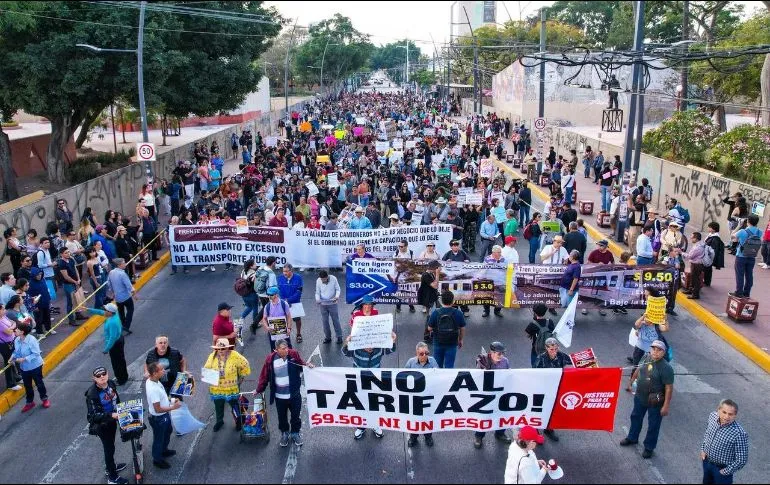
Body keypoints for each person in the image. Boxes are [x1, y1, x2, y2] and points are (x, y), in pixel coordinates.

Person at [621, 339, 674, 459]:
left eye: (659, 350)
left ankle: (649, 447)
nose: (655, 352)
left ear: (663, 352)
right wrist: (631, 382)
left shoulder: (666, 368)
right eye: (653, 349)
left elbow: (669, 388)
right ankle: (632, 437)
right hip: (640, 396)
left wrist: (665, 406)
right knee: (635, 417)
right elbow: (638, 370)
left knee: (653, 424)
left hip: (655, 400)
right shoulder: (646, 358)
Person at [256, 339, 313, 447]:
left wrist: (307, 365)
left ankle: (295, 433)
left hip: (294, 394)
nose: (286, 350)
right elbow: (265, 375)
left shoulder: (293, 354)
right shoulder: (270, 359)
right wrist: (259, 389)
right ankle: (285, 433)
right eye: (283, 349)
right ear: (276, 350)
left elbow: (301, 364)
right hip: (279, 397)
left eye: (287, 347)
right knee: (282, 417)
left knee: (295, 416)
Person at [342, 330, 397, 440]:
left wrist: (393, 340)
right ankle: (361, 427)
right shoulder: (356, 349)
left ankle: (374, 425)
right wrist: (346, 343)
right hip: (359, 382)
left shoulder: (379, 348)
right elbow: (344, 352)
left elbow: (391, 349)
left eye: (372, 343)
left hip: (375, 382)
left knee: (374, 404)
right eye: (367, 344)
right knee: (360, 405)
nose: (370, 346)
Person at [85, 366, 129, 485]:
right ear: (94, 378)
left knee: (111, 446)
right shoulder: (92, 394)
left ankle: (110, 467)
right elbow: (92, 416)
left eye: (103, 374)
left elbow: (116, 398)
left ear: (108, 374)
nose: (102, 377)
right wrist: (111, 415)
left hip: (112, 421)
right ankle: (112, 477)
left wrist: (121, 410)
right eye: (98, 376)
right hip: (103, 426)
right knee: (109, 449)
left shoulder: (110, 383)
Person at [203, 338, 250, 432]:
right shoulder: (212, 356)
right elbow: (206, 369)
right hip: (217, 388)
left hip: (231, 387)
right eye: (218, 349)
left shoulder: (234, 355)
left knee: (234, 405)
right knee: (218, 405)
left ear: (228, 348)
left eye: (223, 349)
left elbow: (245, 364)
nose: (220, 351)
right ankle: (219, 421)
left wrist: (241, 377)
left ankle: (239, 421)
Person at [700, 399, 749, 484]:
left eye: (730, 414)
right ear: (718, 410)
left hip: (722, 470)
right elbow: (707, 433)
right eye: (724, 412)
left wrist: (725, 471)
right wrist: (703, 449)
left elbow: (742, 460)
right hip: (707, 463)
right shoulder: (712, 416)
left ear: (735, 415)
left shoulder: (739, 433)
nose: (726, 417)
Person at [474, 341, 512, 448]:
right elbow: (478, 378)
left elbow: (509, 375)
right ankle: (479, 436)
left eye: (503, 353)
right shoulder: (482, 360)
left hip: (501, 393)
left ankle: (500, 433)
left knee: (502, 414)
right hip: (487, 394)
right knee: (485, 415)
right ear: (491, 353)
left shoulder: (505, 361)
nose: (502, 356)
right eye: (499, 354)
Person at [145, 361, 181, 469]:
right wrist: (173, 407)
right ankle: (157, 459)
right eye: (161, 369)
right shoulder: (153, 389)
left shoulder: (153, 380)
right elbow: (158, 408)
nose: (164, 371)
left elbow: (163, 397)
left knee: (168, 431)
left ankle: (164, 450)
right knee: (158, 439)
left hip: (163, 416)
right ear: (155, 373)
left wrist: (171, 400)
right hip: (159, 418)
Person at [404, 341, 438, 448]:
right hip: (415, 397)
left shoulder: (433, 362)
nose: (424, 356)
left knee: (428, 418)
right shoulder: (410, 362)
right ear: (417, 354)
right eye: (421, 354)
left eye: (426, 353)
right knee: (415, 418)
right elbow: (403, 376)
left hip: (428, 396)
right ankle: (413, 437)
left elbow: (439, 377)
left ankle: (428, 436)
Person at [87, 303, 128, 386]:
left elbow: (112, 338)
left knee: (116, 363)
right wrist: (88, 309)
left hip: (115, 344)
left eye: (106, 310)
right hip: (119, 339)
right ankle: (124, 377)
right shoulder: (113, 314)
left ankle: (121, 380)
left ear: (110, 312)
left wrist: (106, 349)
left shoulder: (112, 322)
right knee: (121, 360)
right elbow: (101, 312)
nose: (104, 311)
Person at [13, 322, 49, 413]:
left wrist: (24, 359)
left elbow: (36, 353)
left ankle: (44, 399)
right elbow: (16, 351)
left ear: (22, 332)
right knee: (27, 385)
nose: (15, 330)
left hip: (35, 366)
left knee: (39, 383)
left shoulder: (32, 340)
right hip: (24, 368)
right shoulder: (16, 339)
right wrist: (12, 357)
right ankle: (30, 402)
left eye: (17, 329)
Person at [426, 290, 466, 368]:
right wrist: (460, 339)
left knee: (437, 365)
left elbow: (429, 328)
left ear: (441, 301)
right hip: (452, 342)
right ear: (453, 301)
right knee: (449, 365)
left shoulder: (436, 312)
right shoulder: (458, 313)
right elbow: (462, 328)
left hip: (438, 342)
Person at [730, 214, 762, 299]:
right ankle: (746, 293)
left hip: (741, 256)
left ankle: (739, 293)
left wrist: (739, 226)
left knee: (740, 274)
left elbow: (732, 236)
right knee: (749, 275)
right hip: (752, 256)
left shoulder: (742, 231)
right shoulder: (759, 232)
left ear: (748, 221)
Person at [260, 286, 294, 351]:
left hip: (283, 330)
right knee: (274, 350)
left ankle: (290, 360)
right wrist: (267, 327)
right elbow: (264, 319)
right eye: (268, 295)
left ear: (276, 295)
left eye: (271, 295)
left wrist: (289, 328)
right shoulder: (267, 306)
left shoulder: (284, 304)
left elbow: (289, 316)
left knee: (288, 348)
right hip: (273, 331)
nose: (269, 296)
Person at [315, 270, 343, 344]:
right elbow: (317, 292)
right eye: (321, 279)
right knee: (325, 322)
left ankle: (339, 336)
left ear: (327, 277)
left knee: (335, 320)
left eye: (324, 279)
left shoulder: (333, 279)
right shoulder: (318, 280)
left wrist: (336, 296)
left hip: (332, 303)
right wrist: (317, 299)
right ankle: (328, 337)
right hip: (323, 304)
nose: (323, 280)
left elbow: (338, 289)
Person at [108, 259, 136, 334]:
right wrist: (134, 293)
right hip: (125, 296)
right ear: (119, 265)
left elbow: (109, 284)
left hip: (117, 297)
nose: (125, 264)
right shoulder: (122, 274)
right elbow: (128, 285)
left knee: (121, 312)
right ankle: (126, 326)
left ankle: (123, 325)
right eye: (123, 263)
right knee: (130, 309)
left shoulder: (111, 272)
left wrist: (113, 292)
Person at [57, 248, 83, 326]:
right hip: (68, 284)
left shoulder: (71, 259)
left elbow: (75, 270)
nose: (68, 254)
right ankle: (71, 319)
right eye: (66, 253)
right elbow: (66, 276)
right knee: (70, 302)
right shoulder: (61, 263)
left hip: (75, 282)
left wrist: (78, 279)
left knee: (77, 300)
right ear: (61, 254)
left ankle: (78, 314)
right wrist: (75, 282)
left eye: (68, 252)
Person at [278, 264, 304, 343]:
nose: (284, 273)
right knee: (284, 320)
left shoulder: (298, 278)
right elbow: (279, 291)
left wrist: (288, 300)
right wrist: (283, 300)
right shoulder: (280, 278)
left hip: (295, 303)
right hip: (283, 302)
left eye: (286, 271)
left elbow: (299, 292)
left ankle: (298, 334)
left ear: (291, 271)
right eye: (283, 271)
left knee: (297, 320)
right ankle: (285, 335)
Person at [682, 231, 707, 300]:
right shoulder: (700, 244)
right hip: (696, 264)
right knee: (693, 278)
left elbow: (690, 256)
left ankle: (695, 294)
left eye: (692, 237)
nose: (691, 238)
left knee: (696, 280)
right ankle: (691, 290)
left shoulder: (698, 247)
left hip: (696, 265)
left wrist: (681, 253)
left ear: (696, 238)